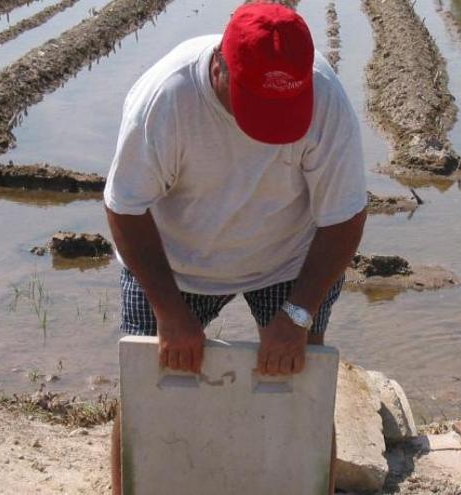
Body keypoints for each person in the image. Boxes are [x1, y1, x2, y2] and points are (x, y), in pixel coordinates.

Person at [103, 2, 367, 493]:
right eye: (256, 107)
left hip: (285, 258)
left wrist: (298, 316)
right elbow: (125, 208)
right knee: (143, 387)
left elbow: (345, 216)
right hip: (175, 261)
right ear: (220, 66)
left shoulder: (326, 98)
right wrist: (170, 313)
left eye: (282, 113)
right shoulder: (166, 98)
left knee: (301, 379)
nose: (267, 130)